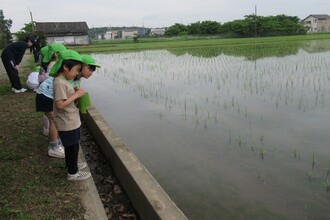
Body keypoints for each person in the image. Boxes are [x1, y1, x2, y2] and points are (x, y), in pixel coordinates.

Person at [50, 49, 91, 181]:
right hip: (66, 122)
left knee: (74, 145)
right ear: (66, 67)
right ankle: (73, 173)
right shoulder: (59, 82)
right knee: (71, 147)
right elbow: (60, 104)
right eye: (76, 70)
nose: (77, 73)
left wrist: (74, 91)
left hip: (71, 121)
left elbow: (66, 96)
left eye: (79, 70)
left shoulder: (64, 81)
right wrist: (76, 95)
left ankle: (72, 165)